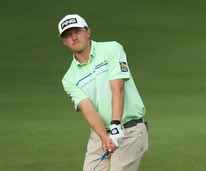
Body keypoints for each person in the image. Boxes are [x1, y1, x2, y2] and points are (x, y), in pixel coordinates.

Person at [58, 14, 148, 171]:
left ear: (87, 32)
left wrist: (115, 126)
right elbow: (88, 109)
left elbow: (118, 88)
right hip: (99, 136)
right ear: (64, 42)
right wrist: (104, 137)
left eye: (77, 31)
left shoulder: (112, 49)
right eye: (67, 35)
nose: (73, 37)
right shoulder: (69, 79)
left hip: (130, 130)